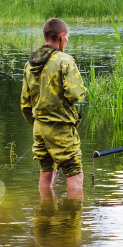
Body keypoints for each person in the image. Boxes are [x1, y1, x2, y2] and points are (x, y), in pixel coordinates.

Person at [21, 18, 86, 200]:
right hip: (60, 126)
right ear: (61, 36)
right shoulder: (65, 61)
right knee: (75, 173)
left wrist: (37, 122)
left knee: (46, 172)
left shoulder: (30, 64)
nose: (67, 41)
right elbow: (75, 95)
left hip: (38, 128)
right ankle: (72, 221)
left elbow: (25, 103)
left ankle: (46, 215)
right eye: (67, 37)